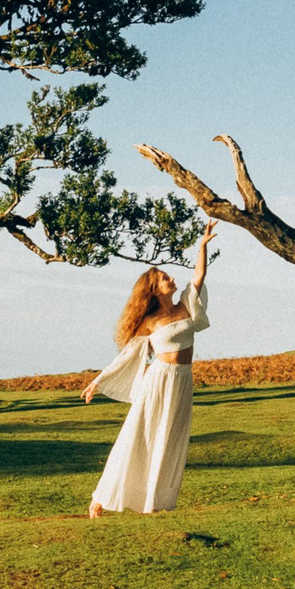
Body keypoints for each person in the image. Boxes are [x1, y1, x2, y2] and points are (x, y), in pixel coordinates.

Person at [81, 218, 219, 517]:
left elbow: (199, 275)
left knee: (170, 437)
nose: (171, 279)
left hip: (183, 379)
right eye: (165, 278)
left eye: (170, 276)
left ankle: (154, 502)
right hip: (158, 380)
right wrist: (99, 380)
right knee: (139, 434)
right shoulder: (149, 323)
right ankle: (101, 498)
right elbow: (128, 356)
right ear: (155, 289)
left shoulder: (185, 305)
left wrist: (203, 246)